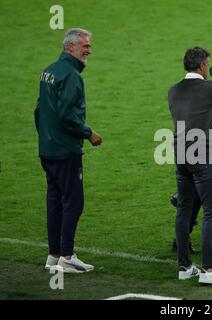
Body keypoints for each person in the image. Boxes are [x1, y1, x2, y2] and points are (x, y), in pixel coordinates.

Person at [34, 28, 102, 273]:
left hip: (48, 149)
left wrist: (45, 138)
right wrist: (88, 133)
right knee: (73, 201)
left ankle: (53, 255)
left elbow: (39, 110)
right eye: (85, 46)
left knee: (54, 200)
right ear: (70, 47)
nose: (89, 50)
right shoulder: (72, 75)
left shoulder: (48, 71)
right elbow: (67, 114)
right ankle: (67, 256)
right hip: (65, 150)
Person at [168, 47, 212, 284]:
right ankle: (209, 270)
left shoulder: (173, 90)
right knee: (211, 210)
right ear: (202, 66)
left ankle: (184, 266)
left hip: (179, 152)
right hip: (202, 152)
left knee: (184, 209)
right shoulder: (210, 88)